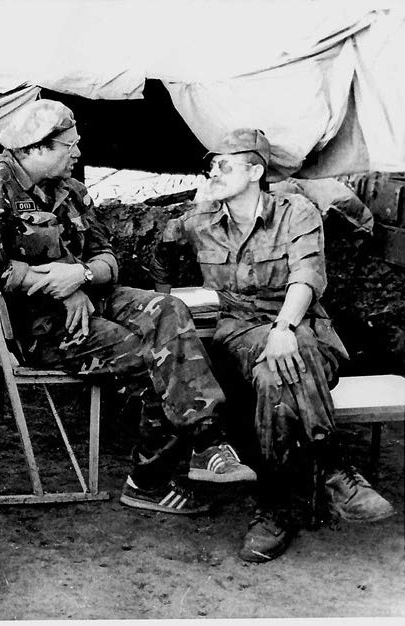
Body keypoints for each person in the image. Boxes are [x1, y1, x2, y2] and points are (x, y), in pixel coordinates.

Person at [0, 99, 256, 516]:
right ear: (37, 148)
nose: (79, 153)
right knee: (158, 361)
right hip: (43, 325)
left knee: (168, 308)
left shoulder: (73, 191)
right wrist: (60, 287)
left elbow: (107, 260)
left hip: (94, 297)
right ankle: (148, 482)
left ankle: (207, 443)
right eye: (70, 145)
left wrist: (80, 276)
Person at [151, 128, 394, 562]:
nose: (213, 172)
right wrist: (167, 301)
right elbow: (161, 255)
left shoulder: (296, 212)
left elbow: (307, 276)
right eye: (211, 166)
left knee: (274, 374)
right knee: (278, 361)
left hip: (301, 325)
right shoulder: (199, 220)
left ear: (255, 171)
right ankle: (333, 466)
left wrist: (283, 327)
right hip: (238, 332)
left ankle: (275, 509)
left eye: (224, 164)